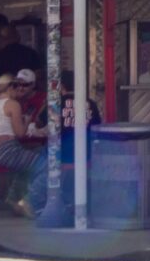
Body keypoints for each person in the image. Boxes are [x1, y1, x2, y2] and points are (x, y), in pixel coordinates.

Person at [28, 70, 101, 217]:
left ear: (61, 87)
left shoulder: (56, 104)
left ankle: (36, 203)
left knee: (37, 158)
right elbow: (97, 127)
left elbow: (40, 125)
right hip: (86, 154)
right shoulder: (91, 103)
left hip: (61, 155)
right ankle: (69, 203)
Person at [0, 73, 39, 216]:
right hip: (7, 151)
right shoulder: (13, 104)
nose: (19, 90)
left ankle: (14, 198)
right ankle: (23, 200)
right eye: (17, 86)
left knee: (26, 161)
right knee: (43, 163)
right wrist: (27, 121)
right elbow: (20, 133)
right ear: (10, 88)